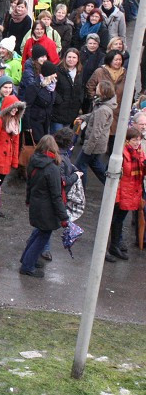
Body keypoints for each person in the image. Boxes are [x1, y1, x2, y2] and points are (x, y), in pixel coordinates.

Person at [19, 135, 69, 278]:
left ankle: (28, 259)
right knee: (43, 235)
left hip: (36, 203)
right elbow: (56, 195)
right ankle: (27, 265)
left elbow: (29, 185)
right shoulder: (52, 168)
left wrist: (28, 200)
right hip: (47, 209)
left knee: (38, 233)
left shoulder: (34, 161)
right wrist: (63, 217)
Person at [109, 127, 145, 262]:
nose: (137, 142)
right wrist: (116, 197)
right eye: (134, 140)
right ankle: (111, 247)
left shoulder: (140, 152)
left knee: (119, 220)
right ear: (127, 140)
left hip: (131, 192)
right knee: (114, 219)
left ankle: (114, 246)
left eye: (139, 139)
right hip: (122, 192)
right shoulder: (121, 153)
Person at [75, 80, 116, 185]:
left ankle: (81, 192)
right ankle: (110, 186)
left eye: (98, 87)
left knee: (80, 166)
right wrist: (83, 117)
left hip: (93, 144)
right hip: (98, 144)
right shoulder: (101, 105)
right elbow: (93, 115)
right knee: (95, 164)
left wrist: (87, 149)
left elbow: (96, 132)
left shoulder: (103, 110)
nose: (96, 88)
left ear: (103, 91)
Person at [0, 94, 26, 190]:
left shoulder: (15, 122)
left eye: (17, 108)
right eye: (13, 107)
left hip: (6, 161)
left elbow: (16, 143)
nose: (15, 110)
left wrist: (15, 161)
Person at [85, 51, 127, 135]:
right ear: (109, 60)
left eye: (120, 60)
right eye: (115, 60)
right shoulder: (100, 72)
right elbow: (90, 86)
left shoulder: (125, 73)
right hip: (101, 109)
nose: (118, 62)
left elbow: (131, 90)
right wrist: (96, 99)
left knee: (113, 137)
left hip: (118, 110)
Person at [51, 48, 85, 134]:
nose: (71, 60)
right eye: (69, 57)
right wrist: (58, 100)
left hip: (72, 112)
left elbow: (82, 88)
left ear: (78, 60)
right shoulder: (58, 70)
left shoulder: (80, 72)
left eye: (74, 57)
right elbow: (52, 88)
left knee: (66, 139)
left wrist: (79, 101)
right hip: (58, 112)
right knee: (57, 137)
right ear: (65, 58)